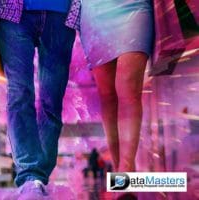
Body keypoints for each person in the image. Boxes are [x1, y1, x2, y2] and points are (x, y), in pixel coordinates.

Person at [0, 0, 80, 198]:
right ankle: (30, 176)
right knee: (19, 93)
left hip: (61, 14)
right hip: (13, 11)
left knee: (52, 101)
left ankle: (38, 179)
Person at [80, 1, 153, 199]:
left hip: (134, 5)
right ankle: (121, 171)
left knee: (129, 89)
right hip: (94, 10)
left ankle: (126, 171)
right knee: (108, 96)